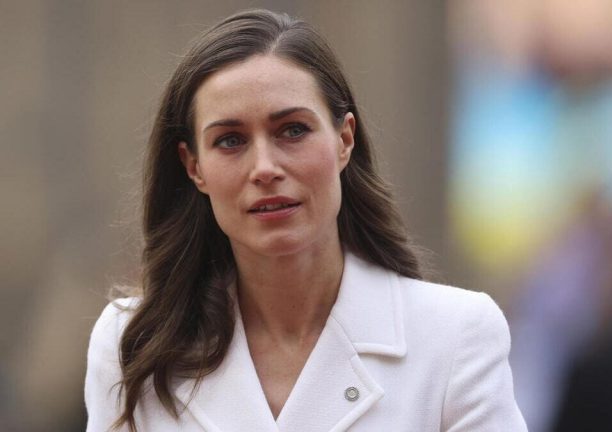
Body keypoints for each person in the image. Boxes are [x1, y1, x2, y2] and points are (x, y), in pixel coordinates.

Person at [84, 9, 527, 432]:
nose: (265, 168)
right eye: (231, 140)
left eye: (293, 130)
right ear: (193, 166)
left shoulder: (454, 336)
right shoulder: (132, 344)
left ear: (344, 139)